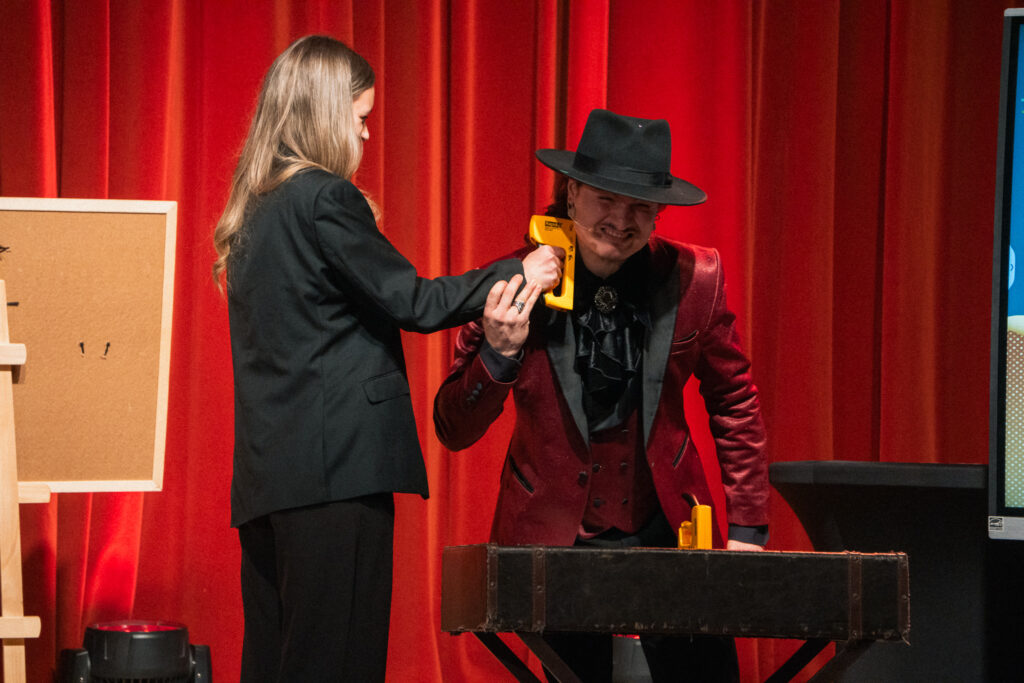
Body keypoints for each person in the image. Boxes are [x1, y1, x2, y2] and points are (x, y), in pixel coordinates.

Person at [211, 35, 561, 683]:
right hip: (336, 476)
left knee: (276, 663)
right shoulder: (324, 197)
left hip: (269, 483)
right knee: (338, 663)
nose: (367, 134)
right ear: (325, 112)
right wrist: (520, 271)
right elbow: (414, 301)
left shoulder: (253, 211)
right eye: (361, 117)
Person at [433, 108, 769, 682]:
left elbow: (734, 401)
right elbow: (452, 428)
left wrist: (747, 530)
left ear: (659, 212)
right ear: (571, 195)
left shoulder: (695, 279)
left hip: (669, 529)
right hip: (555, 538)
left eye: (639, 205)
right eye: (605, 199)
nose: (620, 220)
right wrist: (499, 354)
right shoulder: (510, 279)